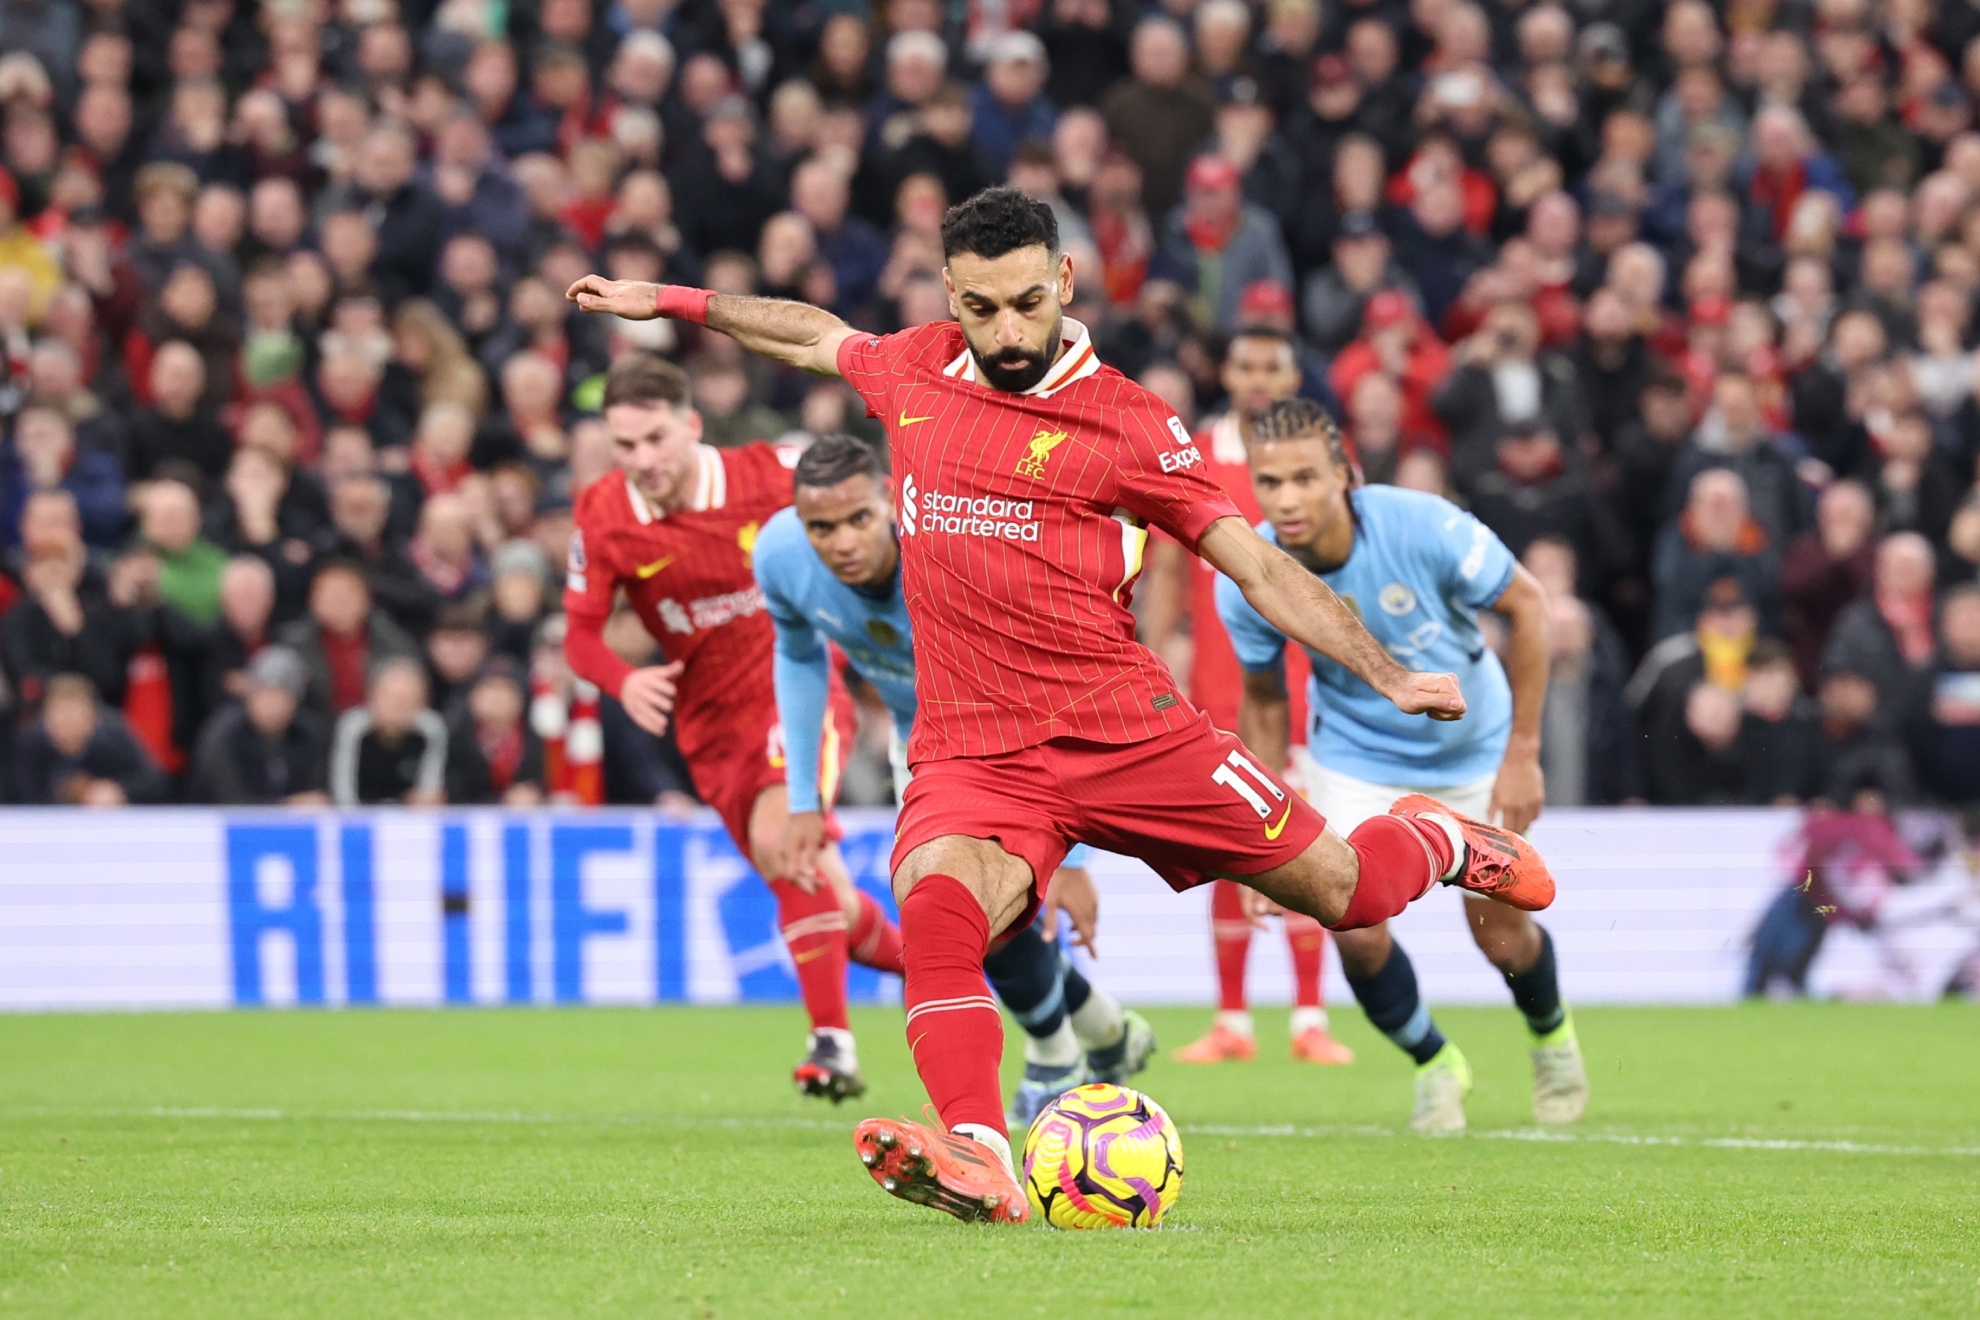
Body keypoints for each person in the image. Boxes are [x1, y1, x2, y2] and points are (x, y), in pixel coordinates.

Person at [568, 185, 1554, 1222]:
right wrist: (669, 301)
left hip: (1131, 732)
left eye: (1028, 304)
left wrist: (1387, 672)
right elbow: (816, 332)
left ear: (1066, 283)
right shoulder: (911, 370)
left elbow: (1255, 569)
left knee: (1351, 895)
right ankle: (981, 1150)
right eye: (983, 307)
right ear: (950, 292)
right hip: (974, 752)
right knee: (938, 904)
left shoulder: (1128, 421)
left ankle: (1439, 841)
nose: (1007, 331)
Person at [754, 433, 1155, 1127]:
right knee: (967, 909)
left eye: (857, 520)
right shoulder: (781, 555)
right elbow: (798, 659)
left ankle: (1057, 1057)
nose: (842, 542)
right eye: (821, 526)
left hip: (1025, 722)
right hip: (931, 742)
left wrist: (1074, 851)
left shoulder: (956, 545)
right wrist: (803, 799)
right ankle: (1101, 1034)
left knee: (989, 908)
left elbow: (1059, 668)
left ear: (889, 500)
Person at [1216, 397, 1587, 1133]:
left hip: (1476, 753)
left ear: (1343, 475)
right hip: (1356, 760)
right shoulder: (1249, 574)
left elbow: (1531, 604)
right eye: (1270, 483)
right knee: (1351, 921)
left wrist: (1524, 755)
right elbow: (1262, 703)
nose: (1286, 500)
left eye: (1304, 479)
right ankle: (1434, 1062)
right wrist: (1257, 825)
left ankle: (1552, 1040)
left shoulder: (1423, 525)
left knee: (1500, 936)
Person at [558, 352, 905, 1102]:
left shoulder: (772, 470)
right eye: (624, 447)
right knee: (826, 900)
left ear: (691, 426)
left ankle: (832, 1043)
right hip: (709, 730)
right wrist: (626, 679)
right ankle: (966, 970)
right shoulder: (603, 514)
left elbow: (881, 496)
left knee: (790, 843)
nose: (641, 461)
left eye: (654, 440)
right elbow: (579, 639)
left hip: (799, 688)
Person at [1139, 325, 1355, 1068]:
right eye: (1246, 365)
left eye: (1273, 365)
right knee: (1231, 846)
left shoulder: (1314, 461)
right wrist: (1158, 645)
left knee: (1307, 839)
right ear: (1226, 374)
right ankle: (1231, 1018)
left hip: (1306, 682)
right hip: (1219, 684)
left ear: (1294, 374)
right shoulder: (1189, 454)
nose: (1259, 378)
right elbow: (1167, 565)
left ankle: (1308, 1017)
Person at [185, 646, 329, 805]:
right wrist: (285, 807)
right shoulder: (223, 736)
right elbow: (229, 800)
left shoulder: (309, 735)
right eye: (265, 693)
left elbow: (316, 793)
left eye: (281, 696)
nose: (272, 705)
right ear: (250, 695)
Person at [14, 672, 168, 806]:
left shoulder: (114, 737)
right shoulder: (32, 743)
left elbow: (154, 781)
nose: (67, 724)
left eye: (74, 716)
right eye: (58, 716)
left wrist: (118, 790)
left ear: (93, 717)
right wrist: (64, 794)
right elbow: (19, 794)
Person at [328, 656, 450, 806]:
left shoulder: (431, 730)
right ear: (371, 696)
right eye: (389, 697)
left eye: (406, 701)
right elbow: (342, 793)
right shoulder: (353, 728)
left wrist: (426, 798)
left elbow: (430, 790)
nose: (395, 707)